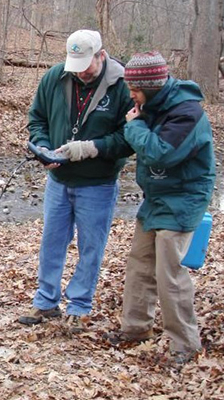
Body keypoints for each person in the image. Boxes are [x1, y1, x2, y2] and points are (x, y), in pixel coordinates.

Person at [104, 51, 215, 364]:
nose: (130, 95)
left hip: (185, 196)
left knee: (170, 272)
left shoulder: (186, 112)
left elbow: (161, 153)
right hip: (157, 196)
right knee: (140, 261)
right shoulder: (149, 105)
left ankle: (185, 345)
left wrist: (134, 126)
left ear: (151, 86)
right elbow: (136, 140)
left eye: (134, 89)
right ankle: (135, 328)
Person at [21, 29, 134, 332]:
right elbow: (37, 119)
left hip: (98, 182)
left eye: (87, 64)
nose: (81, 71)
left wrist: (90, 148)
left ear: (101, 55)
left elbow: (130, 138)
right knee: (52, 242)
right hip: (58, 179)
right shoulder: (56, 77)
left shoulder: (122, 86)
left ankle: (80, 305)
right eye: (76, 65)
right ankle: (46, 302)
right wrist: (42, 146)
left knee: (91, 247)